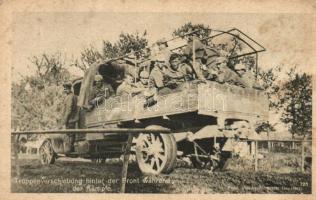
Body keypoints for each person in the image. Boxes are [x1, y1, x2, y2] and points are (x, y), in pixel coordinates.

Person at [60, 81, 79, 152]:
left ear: (69, 89)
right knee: (72, 134)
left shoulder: (69, 97)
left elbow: (68, 110)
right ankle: (71, 148)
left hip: (70, 119)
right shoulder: (75, 96)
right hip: (74, 118)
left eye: (66, 89)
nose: (65, 90)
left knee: (70, 134)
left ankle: (69, 149)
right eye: (64, 89)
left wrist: (64, 120)